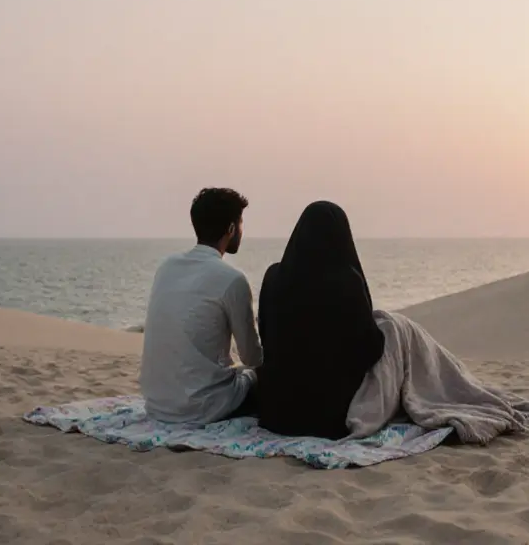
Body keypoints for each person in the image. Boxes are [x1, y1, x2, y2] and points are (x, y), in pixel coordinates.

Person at [255, 201, 387, 439]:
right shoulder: (347, 281)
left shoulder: (274, 276)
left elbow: (265, 336)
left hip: (275, 413)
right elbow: (369, 349)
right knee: (392, 328)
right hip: (329, 417)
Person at [139, 188, 263, 424]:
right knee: (261, 377)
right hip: (200, 409)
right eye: (240, 223)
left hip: (156, 405)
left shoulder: (167, 266)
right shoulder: (232, 279)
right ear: (231, 229)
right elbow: (252, 357)